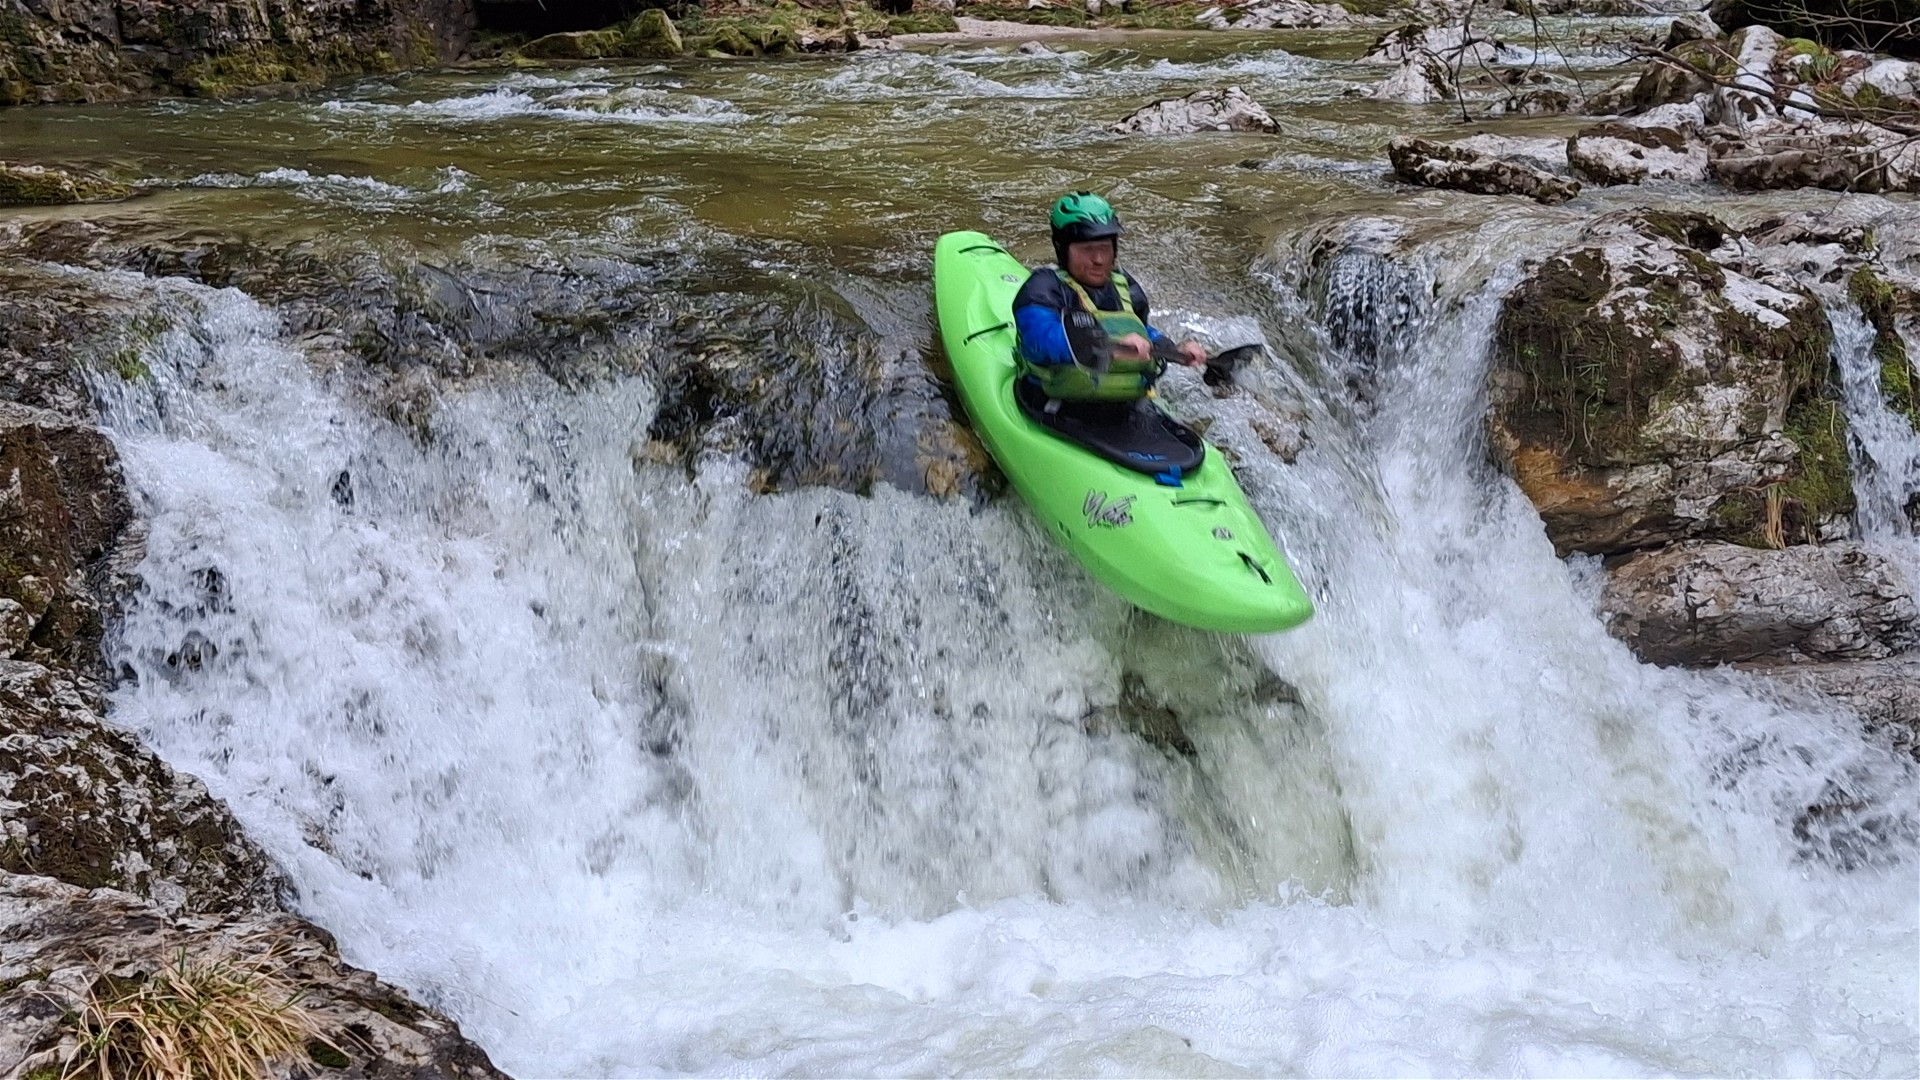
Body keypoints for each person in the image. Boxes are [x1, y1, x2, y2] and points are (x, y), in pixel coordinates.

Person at [1012, 191, 1208, 406]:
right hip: (1056, 404)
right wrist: (1113, 347)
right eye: (1087, 250)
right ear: (1062, 249)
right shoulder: (1043, 287)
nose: (1098, 259)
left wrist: (1174, 351)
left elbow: (1142, 332)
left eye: (1104, 249)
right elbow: (1039, 341)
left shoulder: (1126, 288)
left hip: (1124, 406)